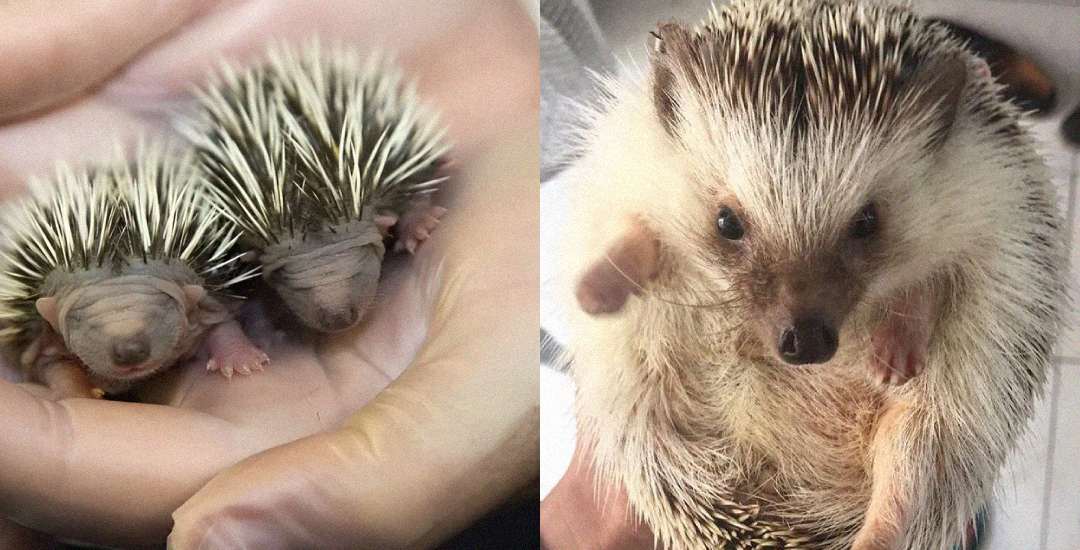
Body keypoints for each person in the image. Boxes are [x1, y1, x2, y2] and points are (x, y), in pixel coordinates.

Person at [0, 1, 539, 548]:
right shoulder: (211, 261)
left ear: (385, 224)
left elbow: (423, 162)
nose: (334, 313)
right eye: (296, 284)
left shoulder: (372, 183)